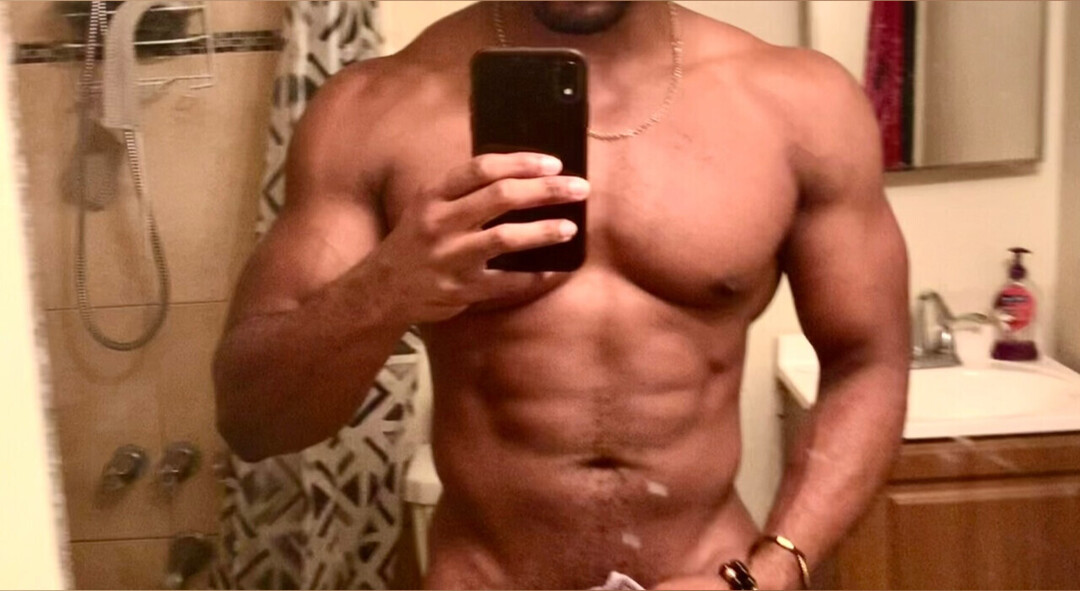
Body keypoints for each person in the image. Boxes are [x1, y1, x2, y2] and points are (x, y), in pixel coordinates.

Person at [213, 2, 910, 589]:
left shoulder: (798, 102)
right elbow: (253, 419)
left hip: (710, 577)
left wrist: (776, 569)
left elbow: (868, 362)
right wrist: (388, 286)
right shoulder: (372, 111)